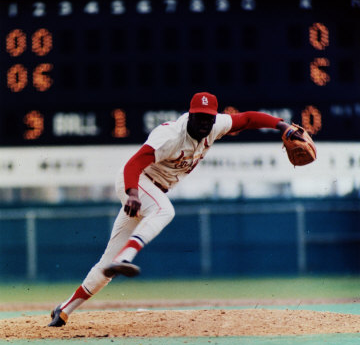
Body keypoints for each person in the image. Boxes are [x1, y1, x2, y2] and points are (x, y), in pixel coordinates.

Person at [48, 91, 299, 327]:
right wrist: (132, 193)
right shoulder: (169, 136)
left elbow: (247, 119)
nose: (204, 123)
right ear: (189, 115)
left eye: (208, 118)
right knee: (164, 211)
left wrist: (283, 126)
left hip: (151, 191)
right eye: (198, 117)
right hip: (137, 183)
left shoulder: (217, 125)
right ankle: (126, 258)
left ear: (214, 118)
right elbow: (133, 164)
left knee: (107, 265)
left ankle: (64, 310)